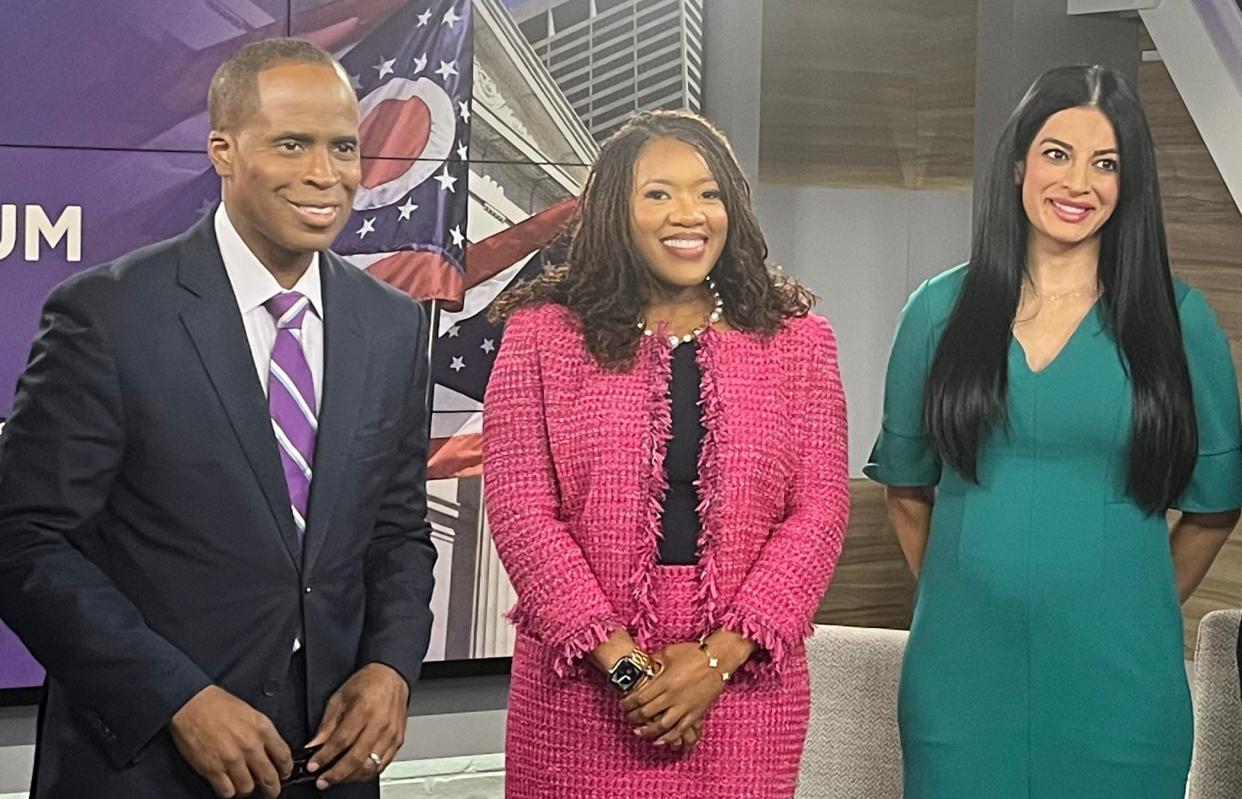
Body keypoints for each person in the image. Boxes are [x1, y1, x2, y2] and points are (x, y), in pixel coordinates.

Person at [0, 38, 437, 799]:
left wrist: (390, 666)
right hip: (145, 759)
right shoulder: (108, 315)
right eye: (291, 144)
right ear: (224, 151)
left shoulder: (393, 324)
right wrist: (177, 697)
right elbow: (24, 539)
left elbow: (397, 530)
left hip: (327, 759)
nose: (324, 175)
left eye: (343, 147)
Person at [866, 64, 1242, 798]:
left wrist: (1134, 599)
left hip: (1123, 682)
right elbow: (906, 490)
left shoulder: (1178, 318)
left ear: (1130, 184)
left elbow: (1215, 505)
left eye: (1107, 163)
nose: (1080, 182)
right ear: (1017, 163)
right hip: (962, 675)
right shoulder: (936, 311)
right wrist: (968, 590)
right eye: (1058, 153)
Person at [482, 109, 850, 798]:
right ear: (616, 211)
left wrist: (714, 664)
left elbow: (819, 513)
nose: (690, 213)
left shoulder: (800, 342)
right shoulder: (541, 335)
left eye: (708, 193)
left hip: (745, 690)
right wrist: (628, 671)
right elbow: (522, 513)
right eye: (659, 193)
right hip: (580, 691)